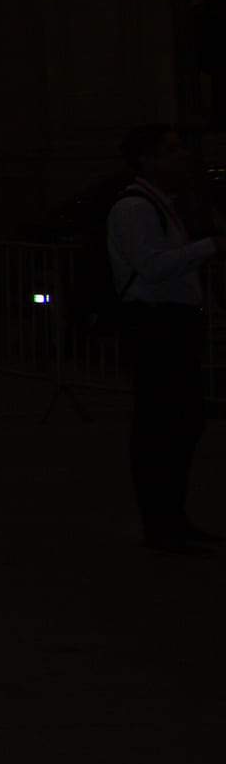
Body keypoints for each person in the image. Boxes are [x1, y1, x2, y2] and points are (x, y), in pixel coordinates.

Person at [110, 123, 220, 555]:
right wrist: (208, 246)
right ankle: (161, 521)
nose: (182, 157)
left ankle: (171, 516)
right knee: (162, 425)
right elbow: (152, 266)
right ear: (147, 159)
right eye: (171, 150)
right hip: (156, 325)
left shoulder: (158, 205)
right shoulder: (136, 208)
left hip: (168, 323)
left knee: (180, 423)